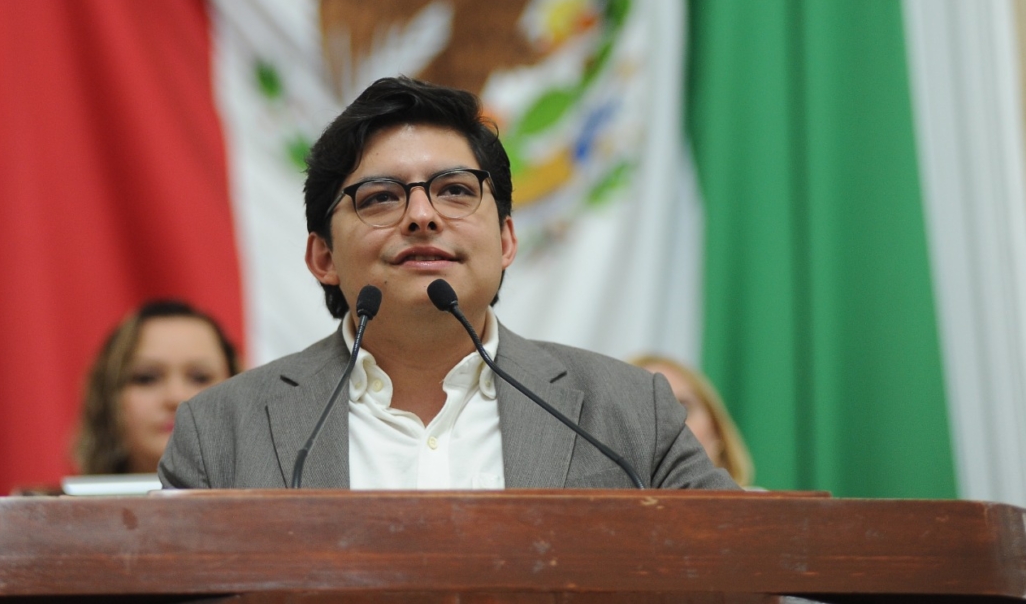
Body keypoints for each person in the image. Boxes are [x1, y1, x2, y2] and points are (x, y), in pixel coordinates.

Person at [160, 77, 736, 490]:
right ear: (323, 257)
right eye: (380, 197)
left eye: (455, 190)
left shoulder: (632, 414)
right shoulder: (219, 433)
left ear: (506, 241)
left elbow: (739, 571)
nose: (422, 216)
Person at [75, 299, 239, 475]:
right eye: (147, 379)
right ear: (107, 397)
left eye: (200, 378)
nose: (176, 397)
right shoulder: (65, 493)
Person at [629, 355, 755, 487]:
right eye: (648, 414)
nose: (671, 425)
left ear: (716, 430)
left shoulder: (760, 500)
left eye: (684, 408)